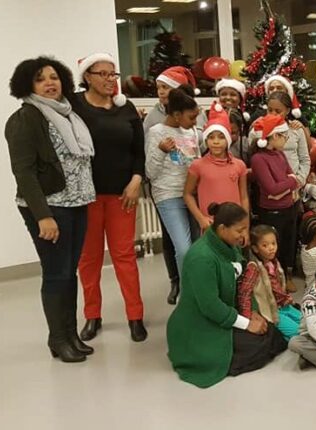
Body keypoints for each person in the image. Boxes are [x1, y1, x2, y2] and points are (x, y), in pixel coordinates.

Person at [6, 56, 96, 362]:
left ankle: (69, 334)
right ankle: (59, 339)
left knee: (68, 272)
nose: (50, 83)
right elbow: (24, 171)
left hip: (77, 202)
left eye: (54, 76)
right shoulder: (26, 118)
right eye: (41, 79)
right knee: (57, 273)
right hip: (49, 207)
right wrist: (43, 216)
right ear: (27, 86)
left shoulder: (69, 115)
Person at [166, 203, 287, 388]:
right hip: (201, 325)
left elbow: (243, 285)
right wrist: (247, 324)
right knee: (259, 344)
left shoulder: (230, 245)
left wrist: (252, 311)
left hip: (227, 313)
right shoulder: (201, 258)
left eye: (245, 229)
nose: (244, 235)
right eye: (240, 230)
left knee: (271, 334)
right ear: (222, 229)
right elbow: (210, 307)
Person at [72, 53, 146, 342]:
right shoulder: (75, 106)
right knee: (88, 259)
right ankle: (92, 316)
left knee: (124, 257)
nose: (108, 79)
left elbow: (138, 151)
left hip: (122, 195)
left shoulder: (125, 108)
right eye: (101, 74)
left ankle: (135, 316)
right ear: (87, 77)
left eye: (112, 74)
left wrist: (136, 179)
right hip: (86, 196)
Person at [145, 85, 202, 292]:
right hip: (168, 196)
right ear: (177, 115)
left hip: (192, 195)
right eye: (191, 117)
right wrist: (161, 151)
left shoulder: (192, 132)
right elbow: (150, 172)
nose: (195, 122)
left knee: (198, 248)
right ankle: (188, 295)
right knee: (184, 249)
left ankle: (199, 290)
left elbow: (197, 162)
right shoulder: (156, 132)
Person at [249, 114, 302, 291]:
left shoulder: (279, 154)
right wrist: (289, 183)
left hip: (289, 207)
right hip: (271, 212)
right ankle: (272, 280)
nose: (286, 139)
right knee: (272, 247)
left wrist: (286, 185)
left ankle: (285, 275)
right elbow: (272, 189)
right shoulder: (258, 159)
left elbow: (291, 176)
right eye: (284, 135)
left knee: (288, 243)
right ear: (274, 136)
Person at [184, 101, 249, 235]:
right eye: (211, 137)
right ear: (206, 140)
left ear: (228, 139)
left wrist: (245, 227)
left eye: (221, 137)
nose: (216, 141)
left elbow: (244, 197)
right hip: (210, 227)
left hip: (235, 228)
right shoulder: (198, 166)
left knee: (233, 256)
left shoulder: (239, 165)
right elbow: (187, 194)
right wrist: (200, 218)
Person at [237, 224, 301, 341]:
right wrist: (248, 318)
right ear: (255, 248)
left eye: (273, 243)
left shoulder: (274, 262)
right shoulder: (254, 268)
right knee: (299, 332)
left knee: (308, 323)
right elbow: (244, 294)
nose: (271, 248)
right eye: (265, 245)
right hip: (271, 312)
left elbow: (279, 287)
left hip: (284, 306)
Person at [143, 66, 206, 133]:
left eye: (165, 87)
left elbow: (201, 137)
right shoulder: (154, 112)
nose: (160, 92)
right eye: (158, 88)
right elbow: (145, 136)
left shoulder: (195, 111)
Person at [212, 78, 250, 159]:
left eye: (233, 95)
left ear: (240, 98)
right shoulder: (210, 115)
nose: (228, 97)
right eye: (224, 94)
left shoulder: (244, 119)